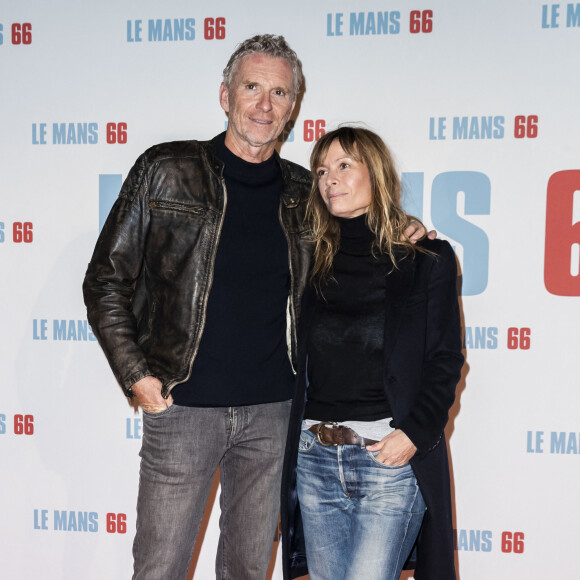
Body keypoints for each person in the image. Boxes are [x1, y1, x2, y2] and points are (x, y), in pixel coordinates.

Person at [84, 34, 429, 579]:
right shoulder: (165, 168)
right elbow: (106, 280)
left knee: (248, 569)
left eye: (279, 93)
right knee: (160, 568)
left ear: (293, 107)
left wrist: (404, 229)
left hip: (276, 414)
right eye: (251, 87)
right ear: (225, 94)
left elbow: (363, 234)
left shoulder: (305, 192)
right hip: (182, 408)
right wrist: (137, 376)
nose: (264, 105)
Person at [281, 126, 464, 580]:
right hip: (314, 456)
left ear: (376, 173)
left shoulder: (428, 260)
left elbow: (445, 359)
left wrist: (415, 434)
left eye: (345, 165)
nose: (330, 179)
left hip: (386, 458)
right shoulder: (308, 259)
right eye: (322, 170)